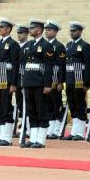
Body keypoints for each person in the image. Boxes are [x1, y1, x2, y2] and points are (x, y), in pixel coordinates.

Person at [19, 19, 55, 148]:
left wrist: (47, 84)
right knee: (31, 110)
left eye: (32, 28)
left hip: (40, 82)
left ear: (39, 30)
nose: (30, 30)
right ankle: (33, 138)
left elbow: (49, 67)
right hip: (29, 81)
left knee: (41, 110)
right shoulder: (29, 45)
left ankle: (41, 139)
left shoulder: (46, 45)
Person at [0, 18, 20, 146]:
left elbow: (15, 65)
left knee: (6, 107)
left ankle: (7, 137)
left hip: (6, 80)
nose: (0, 29)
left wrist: (13, 83)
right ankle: (2, 134)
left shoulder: (13, 44)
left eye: (2, 27)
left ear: (8, 29)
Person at [61, 21, 90, 141]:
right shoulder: (68, 45)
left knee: (80, 104)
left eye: (74, 31)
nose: (72, 33)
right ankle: (74, 130)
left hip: (79, 79)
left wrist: (86, 82)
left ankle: (80, 132)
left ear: (80, 31)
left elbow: (88, 65)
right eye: (71, 31)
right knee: (72, 104)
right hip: (69, 78)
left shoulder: (85, 46)